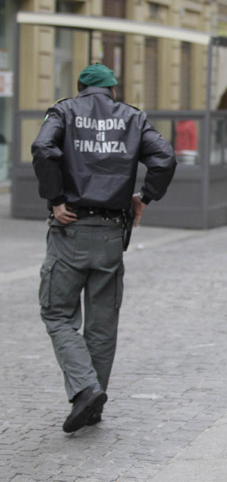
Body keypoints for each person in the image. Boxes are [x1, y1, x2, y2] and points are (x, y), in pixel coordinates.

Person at [31, 63, 177, 432]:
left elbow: (42, 148)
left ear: (80, 88)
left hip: (71, 229)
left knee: (58, 315)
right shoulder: (132, 117)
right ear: (113, 89)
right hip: (112, 233)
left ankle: (85, 389)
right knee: (102, 324)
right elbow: (165, 157)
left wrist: (55, 199)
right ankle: (92, 403)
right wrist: (144, 196)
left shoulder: (64, 110)